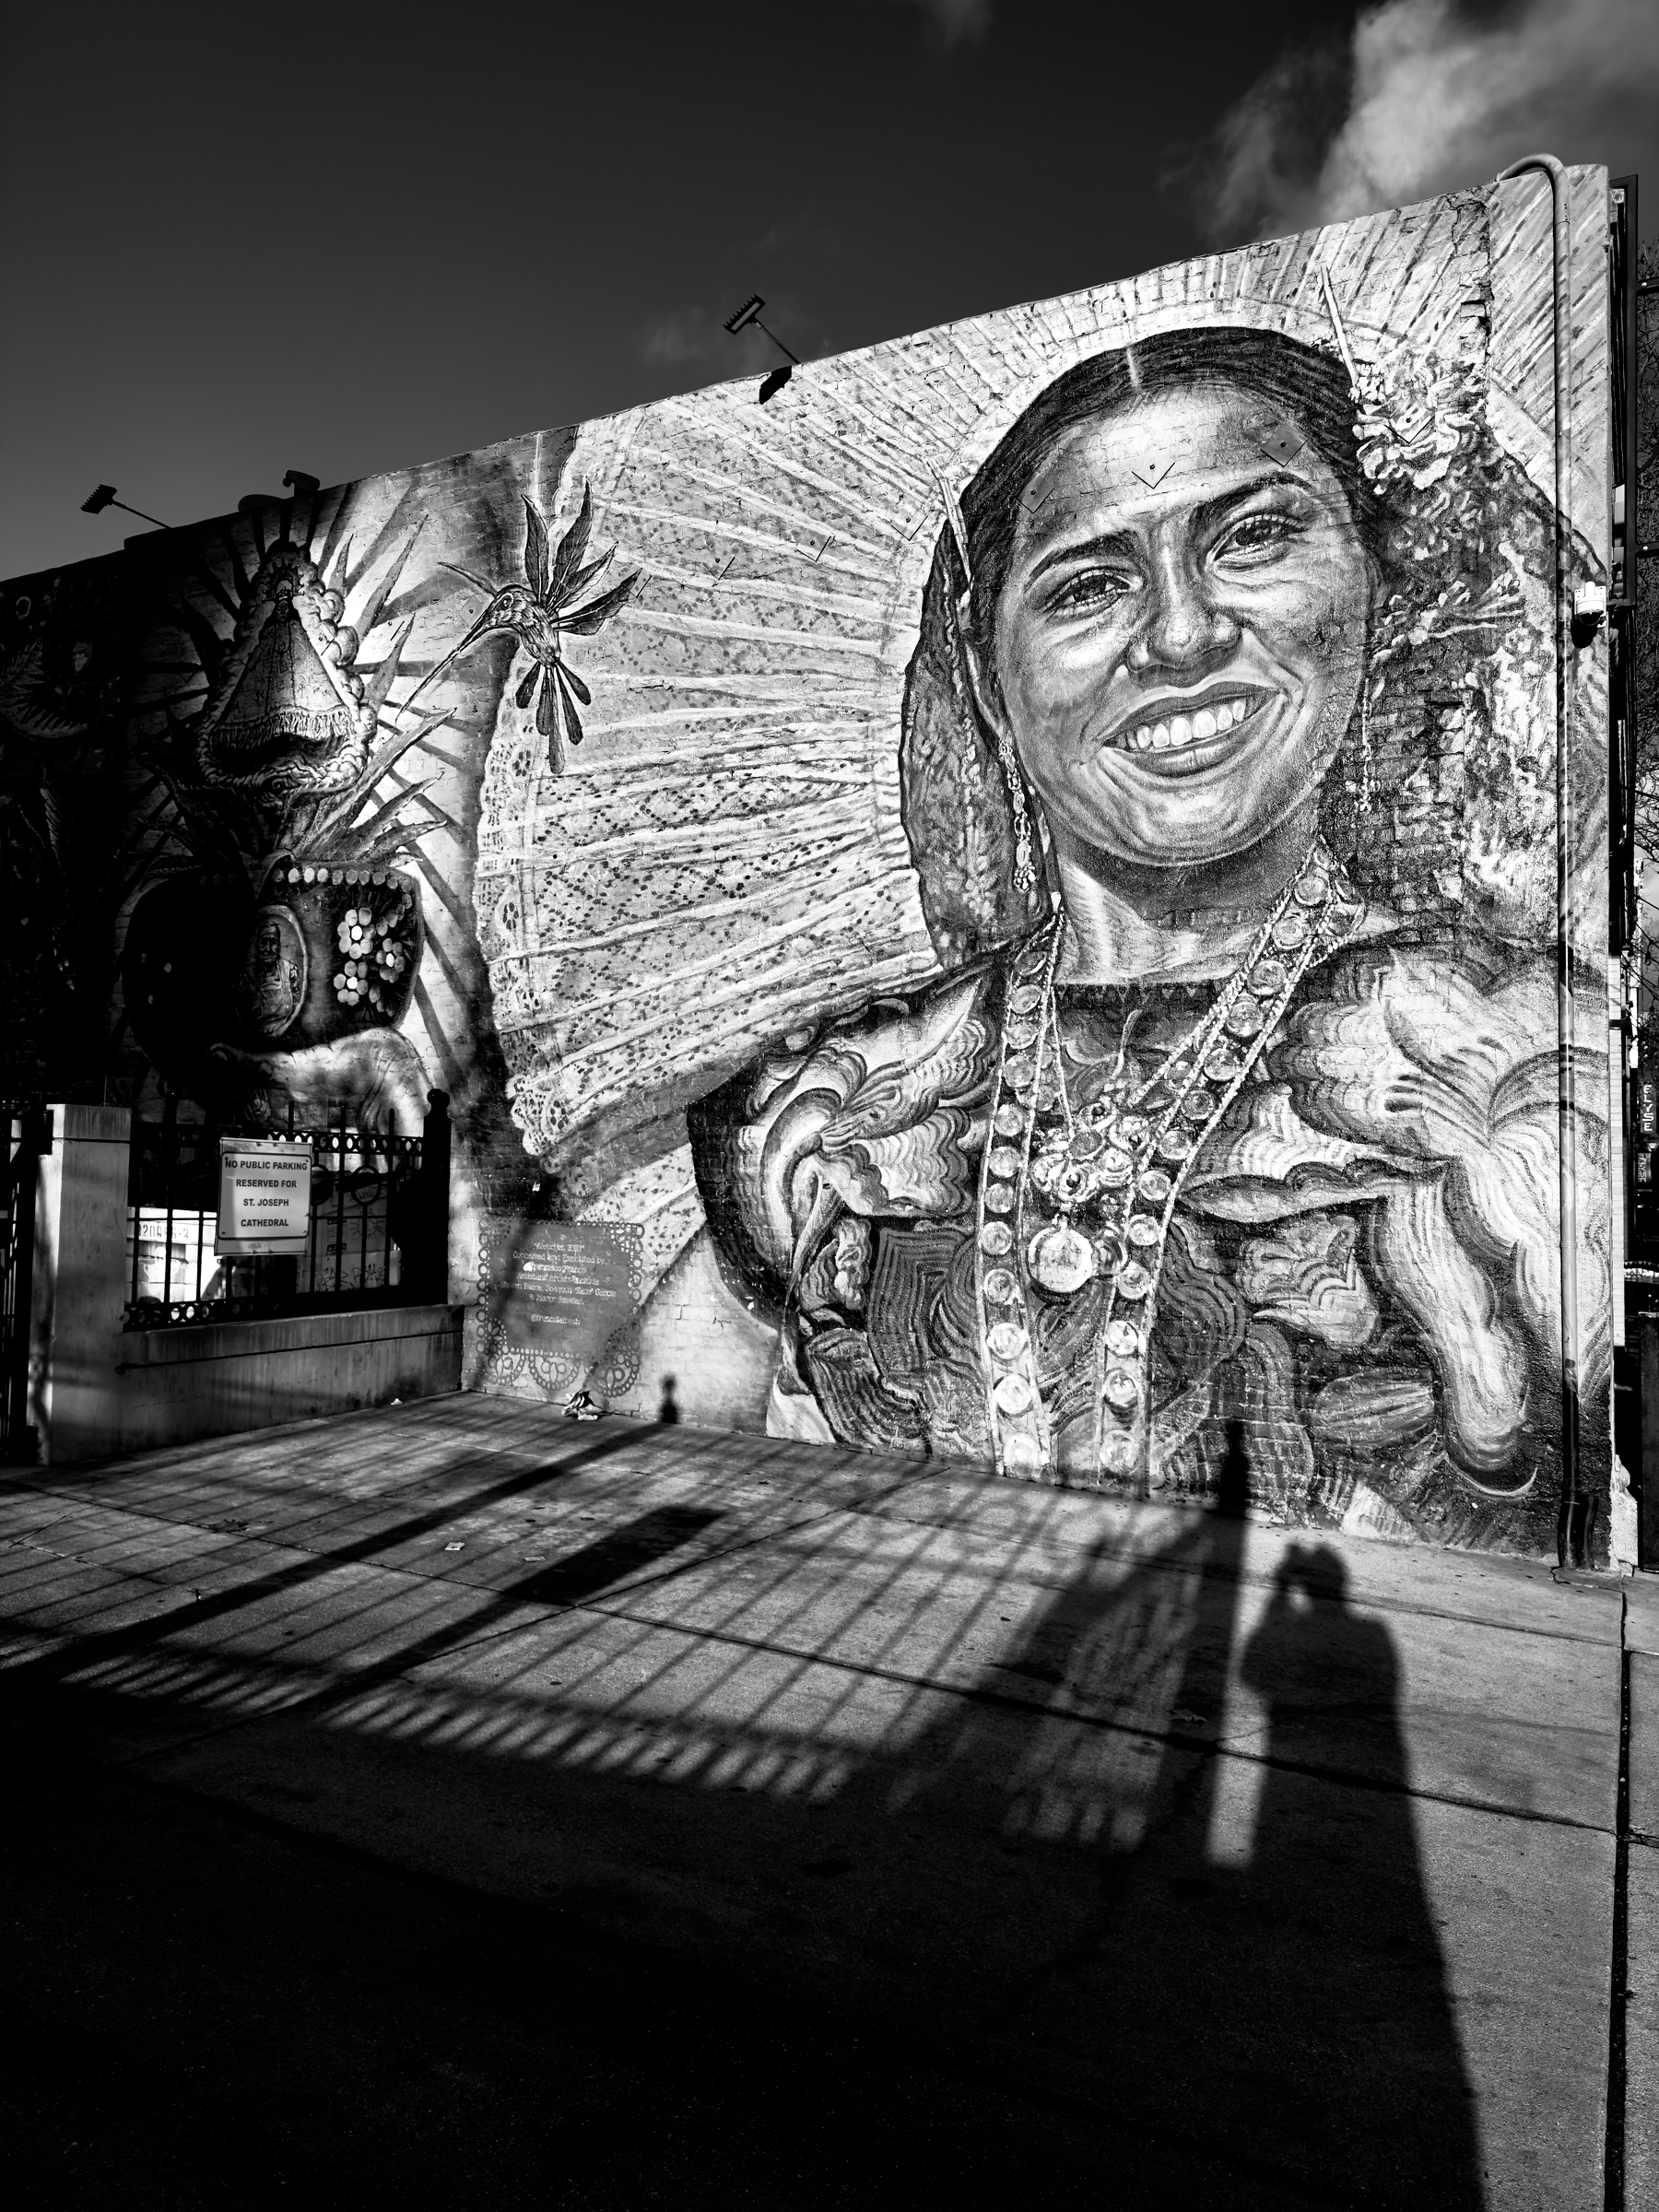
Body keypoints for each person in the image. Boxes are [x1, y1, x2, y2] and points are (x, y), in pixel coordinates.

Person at [688, 325, 1606, 1541]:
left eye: (1255, 537)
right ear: (987, 672)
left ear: (1378, 585)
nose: (1179, 635)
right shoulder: (824, 1120)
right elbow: (649, 1444)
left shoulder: (1534, 1073)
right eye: (1090, 584)